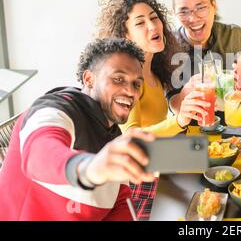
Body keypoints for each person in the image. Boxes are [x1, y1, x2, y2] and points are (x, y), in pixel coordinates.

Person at [0, 38, 157, 220]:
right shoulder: (56, 108)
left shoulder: (112, 135)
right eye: (118, 79)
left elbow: (120, 202)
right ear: (89, 79)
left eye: (137, 84)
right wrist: (90, 168)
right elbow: (38, 153)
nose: (131, 91)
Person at [97, 0, 209, 220]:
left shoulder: (155, 71)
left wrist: (183, 97)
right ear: (125, 36)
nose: (153, 25)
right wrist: (178, 121)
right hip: (134, 177)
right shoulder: (127, 78)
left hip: (156, 160)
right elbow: (133, 136)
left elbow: (163, 115)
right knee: (208, 161)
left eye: (154, 17)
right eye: (140, 23)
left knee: (217, 157)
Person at [168, 0, 241, 113]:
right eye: (183, 11)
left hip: (235, 123)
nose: (193, 18)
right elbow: (173, 106)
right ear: (175, 13)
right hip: (193, 128)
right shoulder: (167, 47)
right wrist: (184, 94)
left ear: (213, 5)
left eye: (201, 8)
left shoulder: (235, 35)